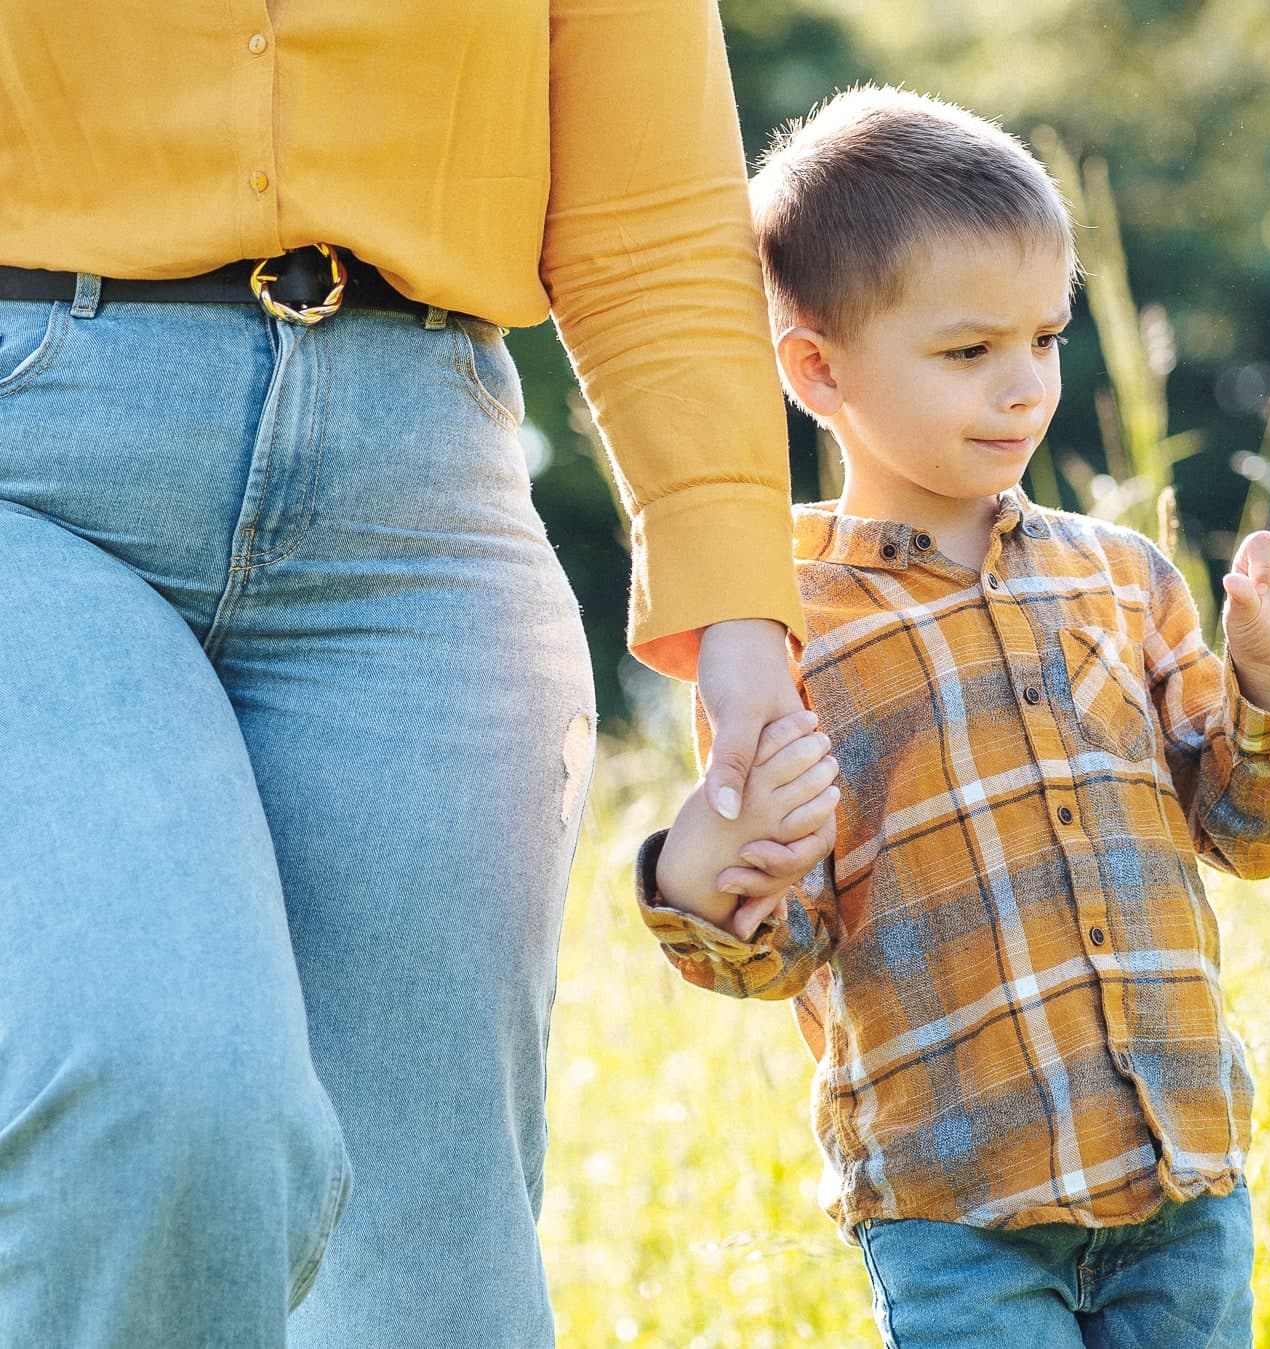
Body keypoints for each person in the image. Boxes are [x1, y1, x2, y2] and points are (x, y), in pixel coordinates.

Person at [0, 2, 834, 1345]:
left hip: (420, 492)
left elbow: (655, 211)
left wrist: (739, 619)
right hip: (26, 467)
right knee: (162, 1098)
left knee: (429, 1292)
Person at [634, 86, 1270, 1348]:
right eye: (967, 352)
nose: (1023, 387)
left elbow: (1246, 830)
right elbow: (780, 943)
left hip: (1181, 1171)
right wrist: (702, 865)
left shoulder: (1119, 573)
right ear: (816, 367)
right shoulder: (779, 627)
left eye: (1045, 337)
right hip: (956, 1205)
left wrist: (1269, 676)